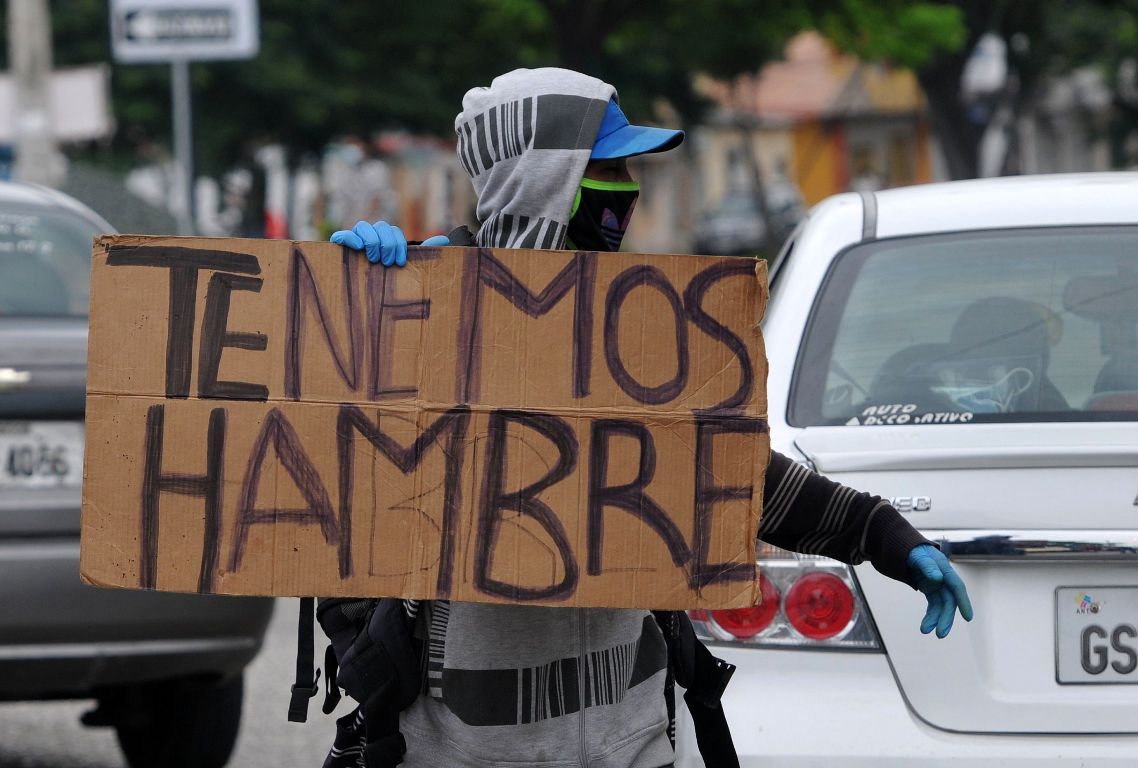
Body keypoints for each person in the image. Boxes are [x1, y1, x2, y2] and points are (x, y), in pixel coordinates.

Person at [328, 67, 972, 768]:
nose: (627, 189)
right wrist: (354, 300)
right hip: (461, 747)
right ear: (543, 176)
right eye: (607, 168)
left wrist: (882, 535)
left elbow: (725, 470)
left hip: (628, 735)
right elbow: (313, 480)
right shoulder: (418, 305)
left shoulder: (639, 328)